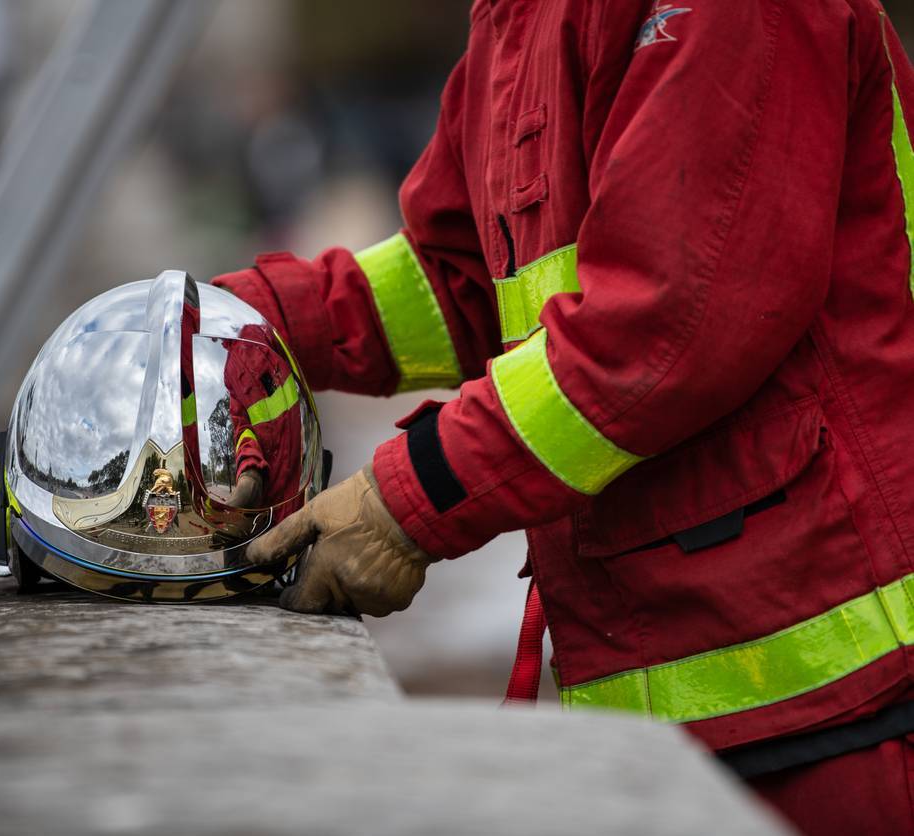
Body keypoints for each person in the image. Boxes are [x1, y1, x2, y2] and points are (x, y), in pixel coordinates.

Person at [212, 2, 914, 833]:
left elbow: (668, 327)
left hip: (842, 701)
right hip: (681, 701)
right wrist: (244, 322)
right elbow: (463, 278)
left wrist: (410, 499)